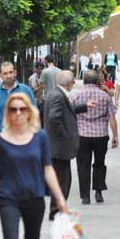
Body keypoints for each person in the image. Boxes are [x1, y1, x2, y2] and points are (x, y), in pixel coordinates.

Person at [0, 92, 69, 239]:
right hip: (8, 199)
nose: (18, 113)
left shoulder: (40, 138)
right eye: (13, 109)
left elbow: (48, 168)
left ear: (29, 111)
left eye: (22, 109)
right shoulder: (1, 141)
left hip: (34, 197)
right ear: (8, 113)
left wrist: (60, 198)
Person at [43, 71, 94, 220]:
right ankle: (56, 210)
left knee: (63, 179)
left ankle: (58, 208)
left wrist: (84, 106)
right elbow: (54, 119)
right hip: (58, 147)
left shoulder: (56, 93)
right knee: (62, 180)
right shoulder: (58, 96)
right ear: (69, 82)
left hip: (56, 146)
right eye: (72, 82)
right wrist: (64, 137)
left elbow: (68, 110)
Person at [71, 70, 119, 204]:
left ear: (84, 81)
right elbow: (112, 117)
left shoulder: (76, 96)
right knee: (99, 164)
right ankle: (98, 192)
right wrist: (115, 136)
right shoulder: (104, 96)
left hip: (82, 135)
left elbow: (69, 113)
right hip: (100, 135)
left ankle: (85, 196)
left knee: (83, 165)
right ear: (97, 81)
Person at [0, 61, 37, 139]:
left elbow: (34, 113)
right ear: (0, 75)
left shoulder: (26, 90)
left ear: (15, 72)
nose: (8, 76)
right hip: (1, 137)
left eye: (11, 72)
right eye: (5, 73)